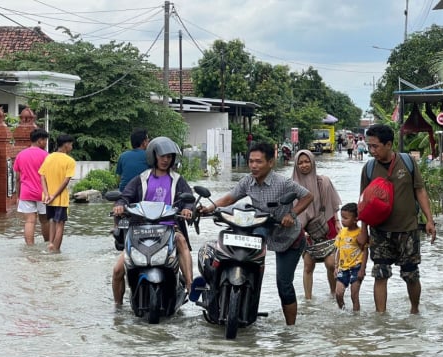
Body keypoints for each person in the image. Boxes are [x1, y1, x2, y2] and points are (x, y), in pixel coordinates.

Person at [200, 142, 314, 325]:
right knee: (240, 255)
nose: (253, 166)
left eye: (258, 162)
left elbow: (308, 196)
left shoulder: (283, 183)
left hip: (289, 238)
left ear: (270, 162)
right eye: (251, 161)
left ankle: (290, 329)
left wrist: (291, 214)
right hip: (263, 230)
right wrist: (210, 207)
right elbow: (230, 197)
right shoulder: (247, 181)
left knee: (283, 284)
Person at [359, 124, 436, 314]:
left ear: (388, 144)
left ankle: (415, 311)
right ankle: (381, 317)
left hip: (407, 229)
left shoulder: (407, 163)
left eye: (375, 146)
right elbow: (363, 202)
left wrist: (429, 220)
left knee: (410, 274)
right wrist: (363, 231)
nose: (372, 150)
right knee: (380, 274)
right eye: (369, 146)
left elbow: (420, 190)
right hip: (379, 231)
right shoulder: (369, 168)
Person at [111, 137, 194, 307]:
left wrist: (188, 209)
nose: (165, 160)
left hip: (169, 228)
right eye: (162, 156)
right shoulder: (141, 178)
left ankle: (189, 284)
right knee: (118, 270)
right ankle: (118, 308)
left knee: (182, 241)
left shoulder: (178, 180)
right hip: (140, 229)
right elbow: (125, 196)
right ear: (153, 156)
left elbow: (189, 199)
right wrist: (120, 205)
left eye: (169, 157)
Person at [291, 150, 342, 300]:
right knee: (308, 265)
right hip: (304, 229)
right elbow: (290, 210)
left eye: (307, 162)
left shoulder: (324, 181)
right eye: (300, 163)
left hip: (327, 225)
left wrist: (338, 221)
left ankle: (334, 295)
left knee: (331, 263)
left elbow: (333, 204)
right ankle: (308, 300)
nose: (304, 165)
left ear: (313, 162)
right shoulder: (292, 186)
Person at [39, 134, 76, 253]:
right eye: (71, 144)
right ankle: (55, 251)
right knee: (60, 224)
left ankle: (50, 244)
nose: (71, 147)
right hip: (60, 198)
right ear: (66, 145)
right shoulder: (69, 161)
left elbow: (42, 176)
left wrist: (46, 193)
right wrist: (54, 195)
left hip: (47, 198)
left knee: (52, 221)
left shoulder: (48, 157)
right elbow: (66, 181)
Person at [13, 128, 50, 245]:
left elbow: (18, 178)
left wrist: (18, 195)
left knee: (29, 221)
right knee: (45, 221)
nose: (46, 143)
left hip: (26, 193)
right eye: (45, 141)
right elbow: (49, 177)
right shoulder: (46, 156)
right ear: (40, 141)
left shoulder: (20, 155)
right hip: (43, 194)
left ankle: (30, 248)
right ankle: (47, 243)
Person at [334, 203, 368, 311]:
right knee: (338, 294)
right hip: (343, 267)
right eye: (341, 218)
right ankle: (342, 312)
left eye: (345, 218)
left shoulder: (360, 234)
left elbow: (366, 251)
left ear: (355, 219)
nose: (342, 221)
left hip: (356, 267)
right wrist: (336, 266)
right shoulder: (342, 232)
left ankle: (356, 317)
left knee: (354, 295)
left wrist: (362, 269)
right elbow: (338, 250)